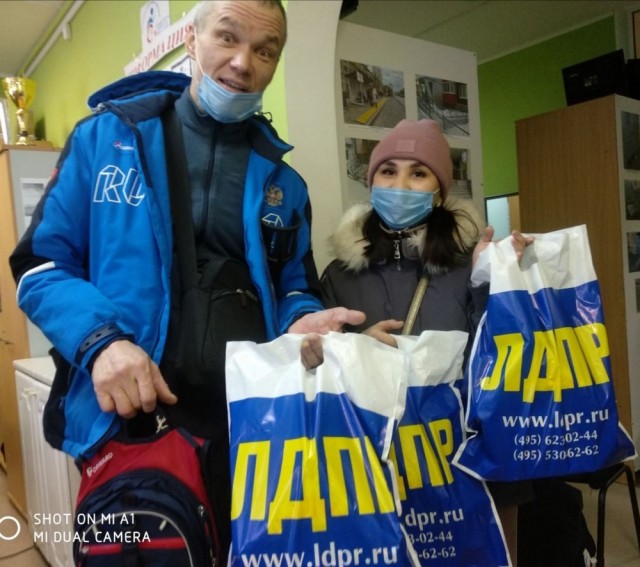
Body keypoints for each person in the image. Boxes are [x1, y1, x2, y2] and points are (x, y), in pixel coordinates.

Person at [9, 0, 362, 559]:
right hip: (130, 422)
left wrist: (302, 318)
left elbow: (295, 284)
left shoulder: (286, 184)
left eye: (265, 50)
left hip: (253, 427)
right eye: (228, 37)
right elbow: (40, 267)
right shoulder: (105, 139)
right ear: (192, 40)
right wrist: (102, 343)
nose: (243, 62)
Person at [320, 119, 532, 565]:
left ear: (438, 192)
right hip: (377, 461)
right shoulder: (340, 275)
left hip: (468, 458)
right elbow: (321, 373)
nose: (400, 185)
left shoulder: (472, 264)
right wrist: (358, 347)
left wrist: (503, 281)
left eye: (418, 173)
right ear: (371, 182)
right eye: (388, 171)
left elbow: (506, 359)